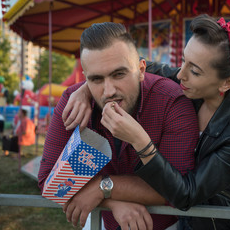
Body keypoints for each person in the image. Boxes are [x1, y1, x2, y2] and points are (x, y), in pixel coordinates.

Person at [63, 14, 230, 229]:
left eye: (194, 70)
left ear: (227, 83)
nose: (180, 75)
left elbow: (187, 194)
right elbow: (129, 69)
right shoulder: (193, 84)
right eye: (184, 60)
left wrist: (141, 142)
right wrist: (86, 90)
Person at [37, 22, 199, 230]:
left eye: (119, 74)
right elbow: (48, 182)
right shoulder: (72, 101)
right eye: (96, 79)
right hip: (100, 221)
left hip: (163, 225)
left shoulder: (171, 102)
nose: (109, 91)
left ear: (141, 70)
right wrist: (109, 199)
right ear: (86, 79)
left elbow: (178, 187)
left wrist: (101, 187)